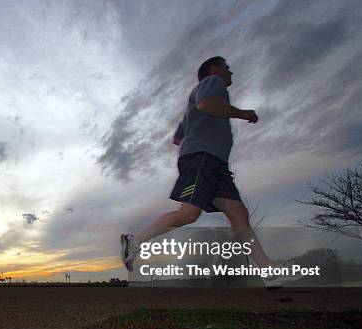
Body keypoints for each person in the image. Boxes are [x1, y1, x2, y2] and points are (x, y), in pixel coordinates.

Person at [120, 56, 298, 287]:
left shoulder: (191, 106)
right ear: (214, 68)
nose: (231, 73)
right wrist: (244, 114)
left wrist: (198, 131)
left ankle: (269, 270)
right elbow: (207, 105)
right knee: (188, 214)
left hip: (214, 162)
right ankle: (136, 242)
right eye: (228, 68)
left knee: (238, 213)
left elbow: (177, 138)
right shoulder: (212, 81)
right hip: (203, 158)